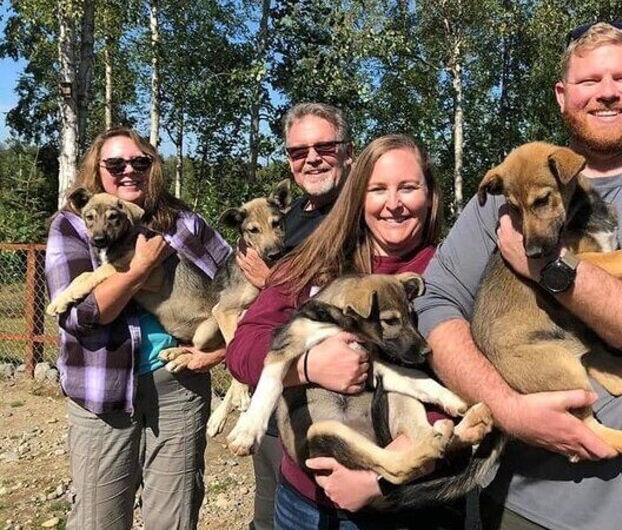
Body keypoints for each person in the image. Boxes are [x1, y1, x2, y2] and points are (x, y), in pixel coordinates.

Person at [415, 22, 622, 530]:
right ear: (562, 95)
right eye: (589, 80)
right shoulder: (511, 189)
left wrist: (549, 269)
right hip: (517, 505)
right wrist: (507, 408)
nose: (607, 92)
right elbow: (435, 302)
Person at [227, 134, 464, 529]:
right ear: (358, 196)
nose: (393, 203)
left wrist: (383, 476)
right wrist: (308, 365)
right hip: (306, 503)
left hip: (411, 505)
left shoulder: (447, 273)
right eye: (377, 189)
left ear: (430, 194)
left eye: (408, 187)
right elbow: (244, 346)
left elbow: (473, 380)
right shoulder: (314, 258)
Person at [45, 127, 232, 529]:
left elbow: (235, 274)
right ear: (98, 169)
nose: (128, 170)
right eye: (115, 164)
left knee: (175, 517)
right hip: (103, 389)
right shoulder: (73, 225)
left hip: (179, 385)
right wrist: (142, 266)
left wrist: (224, 349)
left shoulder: (182, 222)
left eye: (140, 162)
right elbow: (81, 317)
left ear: (153, 167)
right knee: (100, 519)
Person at [233, 102, 355, 530]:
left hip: (338, 410)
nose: (311, 158)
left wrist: (273, 283)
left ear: (348, 150)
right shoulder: (287, 221)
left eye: (324, 146)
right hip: (274, 408)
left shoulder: (365, 214)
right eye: (298, 152)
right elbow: (253, 325)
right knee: (270, 512)